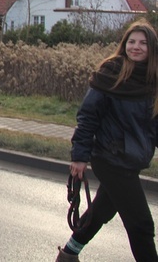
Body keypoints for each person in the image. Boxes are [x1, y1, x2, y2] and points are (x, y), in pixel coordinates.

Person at [56, 19, 158, 262]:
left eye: (143, 43)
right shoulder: (110, 73)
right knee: (141, 224)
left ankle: (69, 254)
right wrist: (79, 157)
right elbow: (88, 116)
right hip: (110, 157)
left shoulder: (152, 81)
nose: (136, 47)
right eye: (131, 41)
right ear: (124, 45)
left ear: (152, 48)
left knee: (101, 211)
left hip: (131, 159)